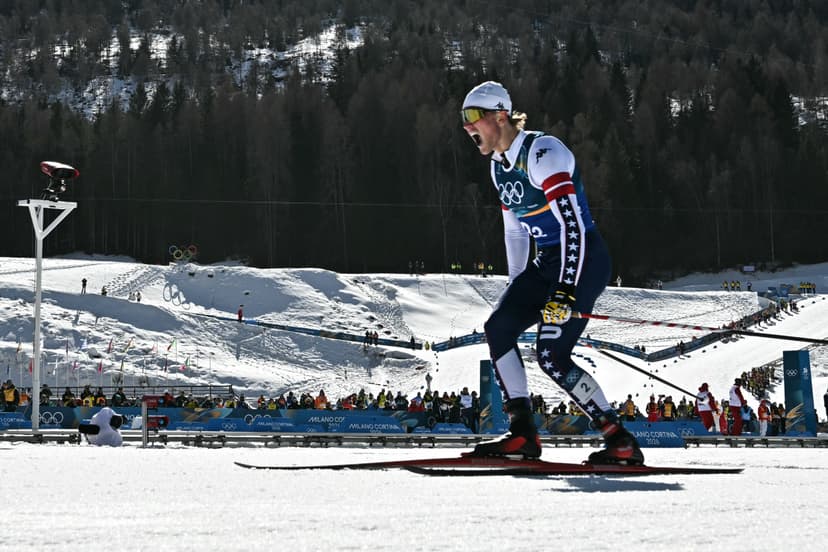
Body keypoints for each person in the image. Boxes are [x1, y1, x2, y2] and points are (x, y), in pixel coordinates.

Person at [460, 81, 643, 464]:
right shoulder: (498, 167)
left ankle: (620, 439)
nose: (466, 127)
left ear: (500, 116)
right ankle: (523, 434)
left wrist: (564, 290)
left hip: (582, 260)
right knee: (499, 328)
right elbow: (514, 230)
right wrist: (515, 288)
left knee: (552, 355)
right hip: (546, 260)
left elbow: (573, 226)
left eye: (472, 117)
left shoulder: (543, 153)